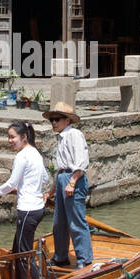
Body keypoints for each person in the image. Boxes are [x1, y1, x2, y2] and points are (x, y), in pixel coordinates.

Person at [0, 120, 49, 279]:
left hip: (28, 210)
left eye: (13, 137)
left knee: (23, 254)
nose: (10, 141)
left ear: (24, 137)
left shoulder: (22, 156)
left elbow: (11, 184)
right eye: (8, 137)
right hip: (37, 209)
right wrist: (28, 186)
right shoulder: (35, 153)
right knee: (18, 248)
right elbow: (44, 178)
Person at [42, 101, 93, 269]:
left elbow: (81, 163)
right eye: (52, 120)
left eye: (57, 119)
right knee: (59, 222)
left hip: (74, 179)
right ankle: (61, 256)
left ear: (67, 121)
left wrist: (72, 182)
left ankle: (84, 258)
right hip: (64, 178)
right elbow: (61, 167)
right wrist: (52, 189)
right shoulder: (62, 137)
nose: (54, 123)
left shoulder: (74, 135)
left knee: (76, 221)